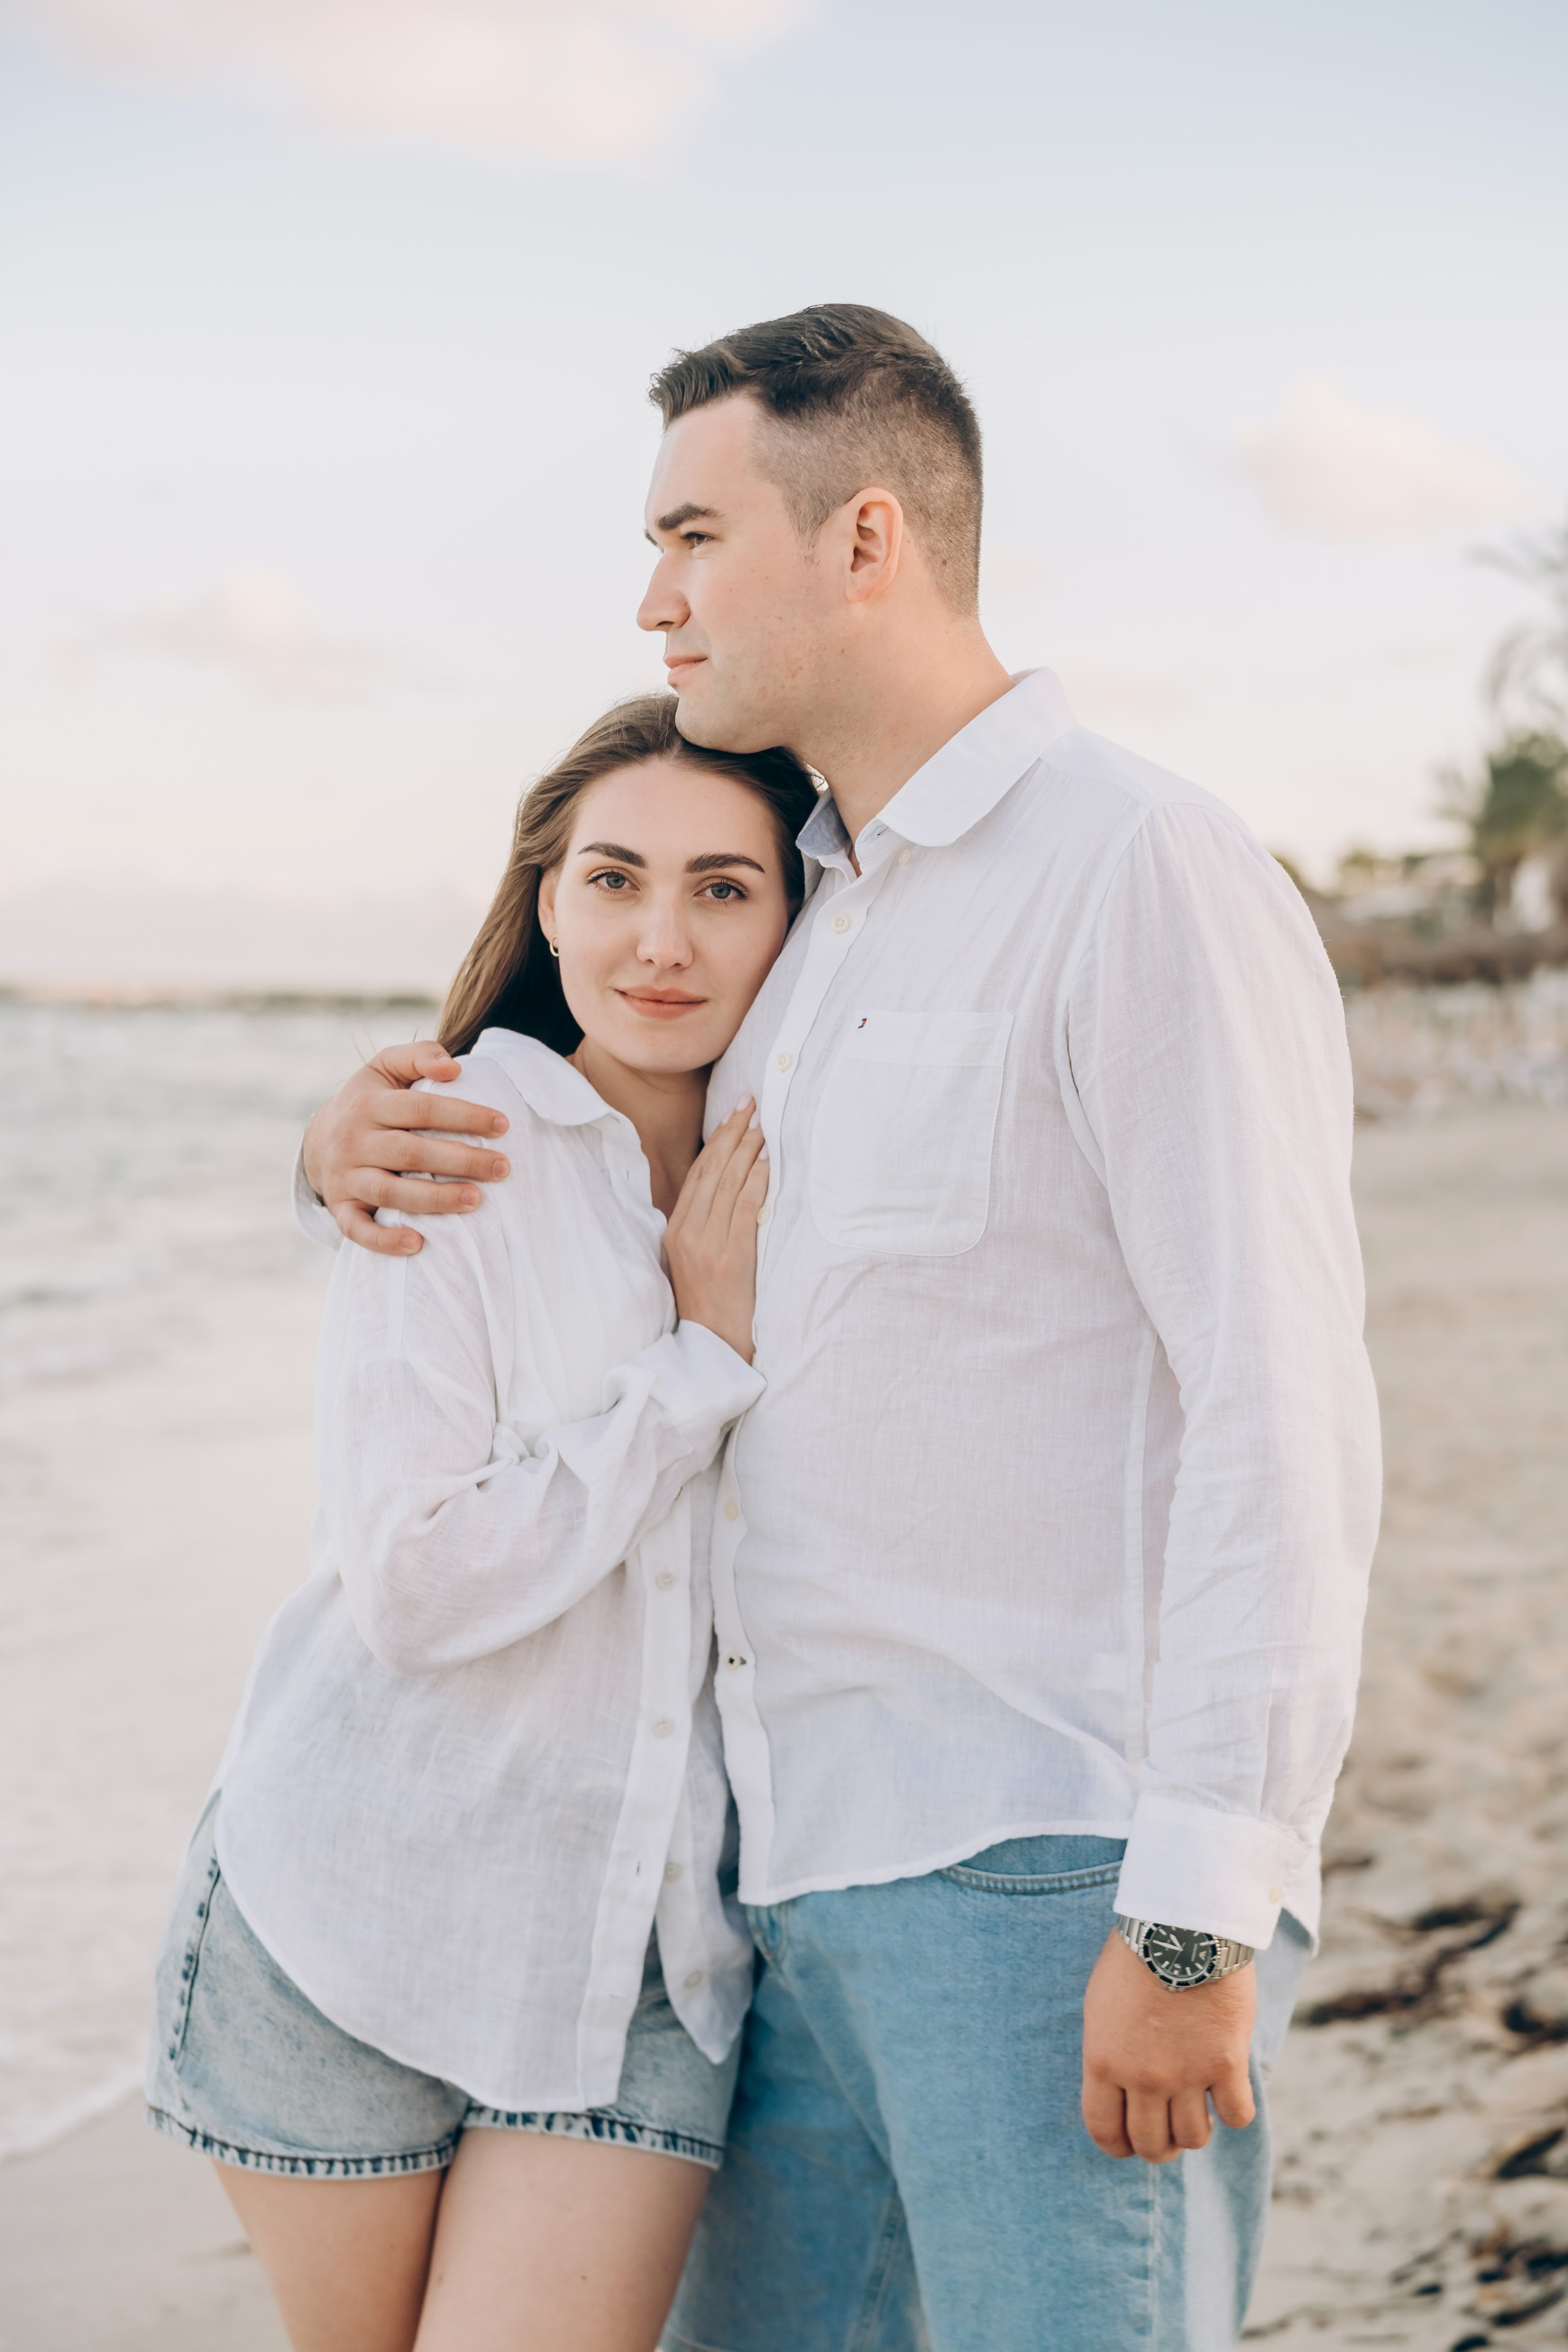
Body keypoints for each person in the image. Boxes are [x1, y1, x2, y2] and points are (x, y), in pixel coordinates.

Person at [298, 306, 1382, 2351]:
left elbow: (1284, 1403)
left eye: (694, 535)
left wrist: (1195, 1910)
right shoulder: (809, 912)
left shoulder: (1136, 866)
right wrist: (338, 1136)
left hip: (1045, 1877)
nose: (653, 597)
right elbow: (583, 1141)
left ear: (865, 539)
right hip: (772, 1898)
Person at [146, 695, 821, 2352]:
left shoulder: (822, 1159)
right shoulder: (462, 1146)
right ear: (544, 902)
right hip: (352, 1919)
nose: (661, 938)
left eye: (727, 889)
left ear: (804, 918)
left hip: (647, 1959)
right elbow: (418, 1580)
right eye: (613, 880)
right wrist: (695, 1368)